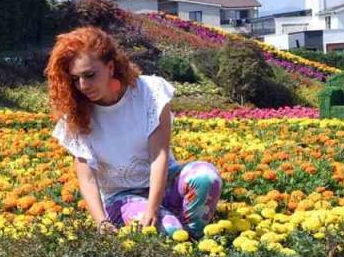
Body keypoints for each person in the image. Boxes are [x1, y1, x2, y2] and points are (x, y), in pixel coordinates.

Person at [47, 27, 222, 236]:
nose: (83, 85)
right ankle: (175, 233)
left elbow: (159, 155)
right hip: (120, 196)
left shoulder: (150, 92)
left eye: (89, 75)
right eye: (75, 79)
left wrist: (153, 208)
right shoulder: (76, 116)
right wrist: (101, 222)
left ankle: (194, 239)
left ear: (110, 67)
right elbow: (87, 179)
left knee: (205, 177)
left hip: (163, 183)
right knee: (167, 230)